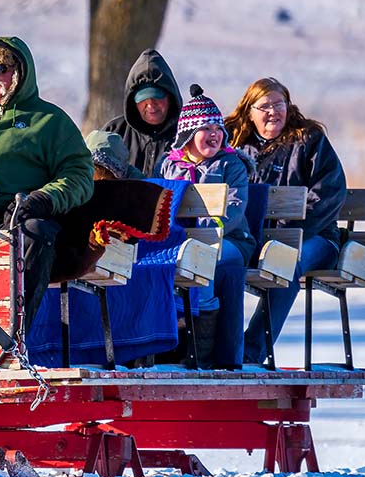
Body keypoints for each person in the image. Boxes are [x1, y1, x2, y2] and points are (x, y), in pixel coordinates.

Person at [0, 36, 94, 330]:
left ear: (20, 73)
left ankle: (13, 335)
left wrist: (43, 198)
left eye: (2, 68)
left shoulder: (48, 121)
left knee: (37, 232)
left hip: (11, 218)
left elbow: (79, 173)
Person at [224, 78, 347, 364]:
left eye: (279, 104)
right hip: (256, 240)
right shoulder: (235, 145)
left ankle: (251, 352)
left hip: (314, 239)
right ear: (249, 111)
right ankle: (214, 348)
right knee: (219, 262)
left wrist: (292, 233)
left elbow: (329, 193)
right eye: (264, 106)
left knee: (285, 263)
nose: (272, 112)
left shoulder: (309, 140)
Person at [157, 85, 256, 370]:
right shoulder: (170, 166)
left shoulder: (230, 165)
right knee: (157, 264)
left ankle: (204, 351)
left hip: (230, 240)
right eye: (205, 128)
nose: (214, 133)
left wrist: (210, 230)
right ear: (188, 134)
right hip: (180, 239)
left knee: (204, 260)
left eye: (217, 127)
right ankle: (166, 345)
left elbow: (235, 208)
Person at [104, 50, 183, 175]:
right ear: (133, 101)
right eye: (143, 98)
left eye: (157, 96)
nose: (151, 104)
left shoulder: (186, 135)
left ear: (170, 98)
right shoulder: (114, 132)